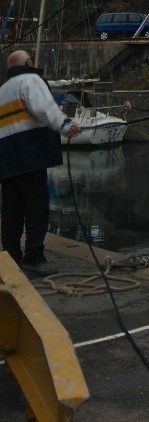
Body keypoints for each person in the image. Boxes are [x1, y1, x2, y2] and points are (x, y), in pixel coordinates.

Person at [0, 49, 81, 277]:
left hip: (6, 159)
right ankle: (34, 257)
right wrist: (66, 125)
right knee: (36, 207)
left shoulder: (2, 90)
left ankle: (11, 258)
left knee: (11, 210)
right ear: (28, 62)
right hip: (30, 153)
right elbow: (44, 108)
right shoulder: (30, 79)